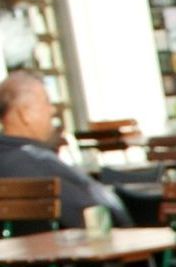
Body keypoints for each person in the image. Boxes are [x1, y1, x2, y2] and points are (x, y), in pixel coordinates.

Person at [0, 73, 129, 228]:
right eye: (46, 102)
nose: (52, 110)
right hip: (66, 248)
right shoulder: (37, 162)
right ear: (24, 113)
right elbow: (97, 212)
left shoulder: (11, 158)